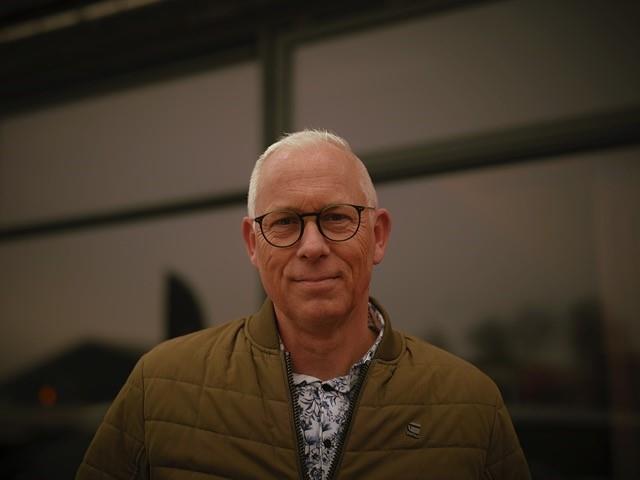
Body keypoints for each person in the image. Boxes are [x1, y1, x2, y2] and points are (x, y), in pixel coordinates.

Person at [77, 130, 530, 479]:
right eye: (285, 222)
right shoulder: (160, 387)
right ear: (252, 244)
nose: (312, 246)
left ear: (378, 236)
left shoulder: (470, 405)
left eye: (336, 218)